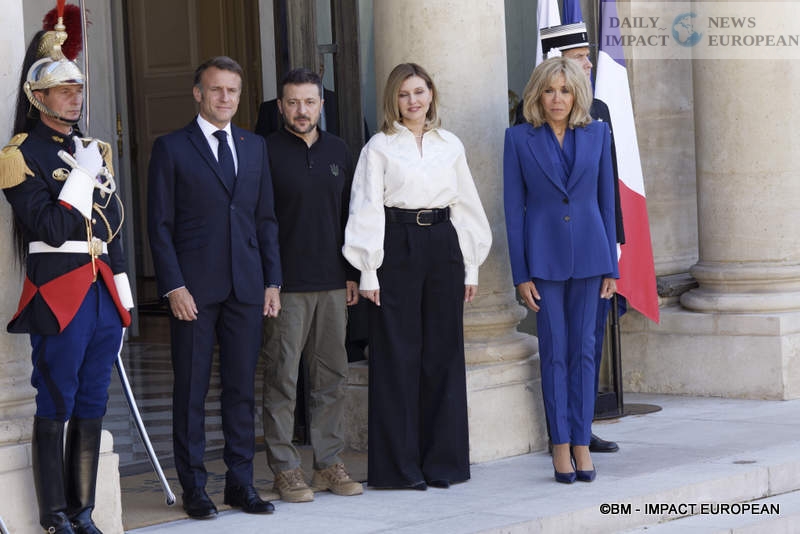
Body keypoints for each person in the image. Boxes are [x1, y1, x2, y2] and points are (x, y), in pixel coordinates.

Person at [0, 10, 134, 533]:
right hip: (59, 292)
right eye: (63, 91)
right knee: (57, 397)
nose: (75, 98)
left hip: (101, 293)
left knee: (93, 399)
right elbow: (52, 228)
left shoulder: (92, 149)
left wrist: (122, 295)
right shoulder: (20, 155)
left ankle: (83, 514)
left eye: (77, 89)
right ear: (38, 97)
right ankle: (55, 516)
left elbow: (112, 225)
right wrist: (81, 176)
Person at [343, 63, 492, 490]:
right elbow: (366, 205)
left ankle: (444, 463)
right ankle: (399, 469)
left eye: (420, 92)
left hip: (443, 244)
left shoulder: (450, 144)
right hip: (396, 244)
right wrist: (368, 271)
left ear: (431, 95)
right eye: (404, 93)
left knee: (443, 354)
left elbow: (466, 204)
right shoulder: (379, 147)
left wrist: (471, 264)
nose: (413, 101)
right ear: (394, 99)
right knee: (396, 356)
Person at [147, 56, 281, 518]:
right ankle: (195, 489)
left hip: (246, 287)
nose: (225, 98)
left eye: (233, 91)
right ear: (198, 93)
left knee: (242, 390)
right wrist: (173, 287)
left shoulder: (254, 146)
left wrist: (272, 281)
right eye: (217, 89)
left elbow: (265, 219)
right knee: (191, 391)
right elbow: (159, 226)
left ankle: (241, 484)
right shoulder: (171, 148)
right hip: (193, 293)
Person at [503, 57, 618, 484]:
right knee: (554, 351)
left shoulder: (598, 133)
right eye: (550, 90)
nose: (557, 99)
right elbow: (513, 211)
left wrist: (611, 267)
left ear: (577, 95)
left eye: (565, 91)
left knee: (585, 351)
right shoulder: (518, 139)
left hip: (591, 256)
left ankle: (582, 442)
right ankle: (560, 444)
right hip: (544, 261)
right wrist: (521, 274)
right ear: (538, 94)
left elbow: (607, 202)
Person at [260, 67, 363, 502]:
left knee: (331, 377)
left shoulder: (339, 149)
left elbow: (350, 216)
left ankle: (328, 464)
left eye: (309, 102)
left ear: (321, 104)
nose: (301, 110)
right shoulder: (264, 151)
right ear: (281, 106)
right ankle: (285, 469)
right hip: (286, 286)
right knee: (282, 378)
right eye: (293, 102)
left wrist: (352, 274)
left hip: (333, 284)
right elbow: (261, 222)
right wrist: (270, 280)